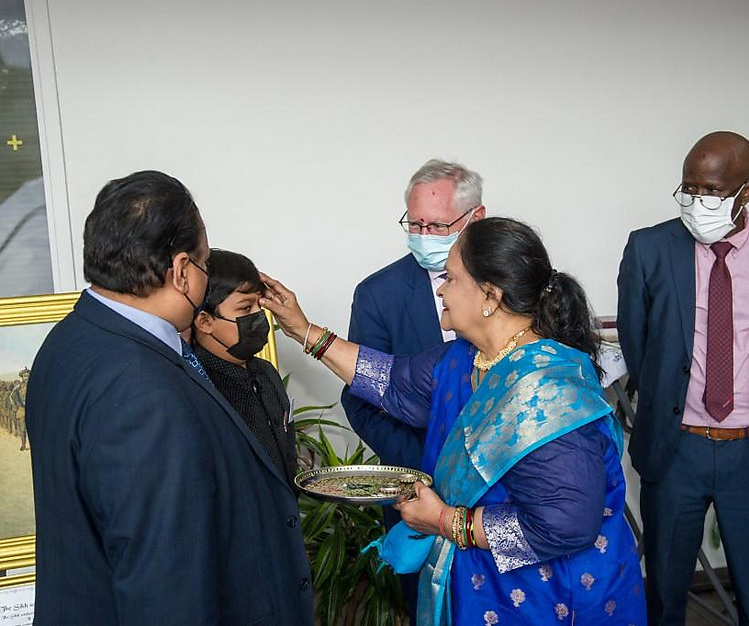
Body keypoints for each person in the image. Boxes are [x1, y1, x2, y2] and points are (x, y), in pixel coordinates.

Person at [263, 217, 646, 625]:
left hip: (551, 598)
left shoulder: (549, 391)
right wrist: (303, 331)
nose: (441, 288)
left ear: (490, 295)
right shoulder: (464, 358)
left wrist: (445, 521)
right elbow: (390, 381)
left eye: (450, 277)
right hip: (480, 586)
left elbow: (564, 525)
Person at [25, 171, 313, 625]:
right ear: (181, 272)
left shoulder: (69, 340)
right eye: (202, 264)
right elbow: (165, 583)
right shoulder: (144, 390)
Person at [617, 131, 749, 626]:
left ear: (746, 191)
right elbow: (636, 343)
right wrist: (669, 402)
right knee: (664, 595)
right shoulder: (649, 248)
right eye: (689, 189)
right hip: (675, 448)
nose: (697, 203)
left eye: (711, 191)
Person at [341, 159, 485, 619]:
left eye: (437, 225)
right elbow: (362, 400)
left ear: (475, 219)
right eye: (415, 223)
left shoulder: (511, 284)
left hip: (496, 497)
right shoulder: (378, 293)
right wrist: (421, 470)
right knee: (421, 606)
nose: (424, 235)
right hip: (415, 491)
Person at [191, 248, 297, 489]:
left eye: (260, 306)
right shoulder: (198, 386)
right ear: (205, 322)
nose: (259, 316)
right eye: (245, 309)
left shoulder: (266, 372)